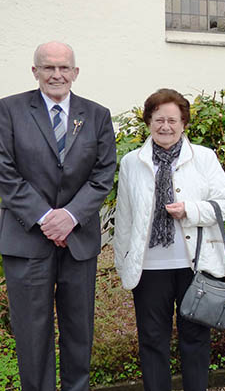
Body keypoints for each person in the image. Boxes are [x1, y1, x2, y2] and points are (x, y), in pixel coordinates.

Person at [0, 41, 117, 391]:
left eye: (64, 67)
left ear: (75, 72)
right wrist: (44, 217)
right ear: (34, 71)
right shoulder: (8, 110)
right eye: (48, 67)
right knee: (32, 332)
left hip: (77, 241)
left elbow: (103, 174)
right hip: (26, 240)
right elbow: (4, 171)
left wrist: (70, 216)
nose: (56, 74)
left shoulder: (96, 115)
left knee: (78, 330)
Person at [113, 88, 225, 391]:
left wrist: (190, 210)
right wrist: (122, 263)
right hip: (149, 267)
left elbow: (224, 204)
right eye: (159, 120)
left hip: (195, 266)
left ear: (184, 123)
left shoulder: (204, 158)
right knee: (152, 340)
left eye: (173, 120)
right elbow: (125, 216)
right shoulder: (131, 162)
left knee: (195, 338)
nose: (165, 127)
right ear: (148, 121)